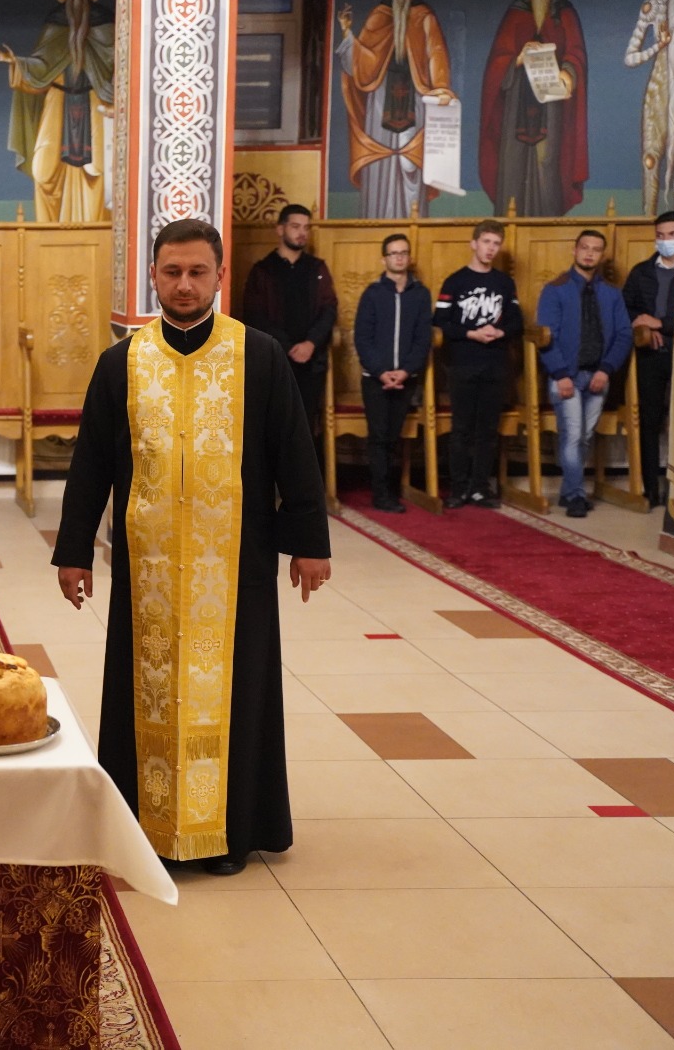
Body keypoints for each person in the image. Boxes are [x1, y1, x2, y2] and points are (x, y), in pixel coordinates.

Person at [52, 218, 330, 876]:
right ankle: (142, 827)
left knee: (238, 691)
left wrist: (309, 543)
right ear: (152, 275)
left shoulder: (257, 355)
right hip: (145, 568)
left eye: (197, 272)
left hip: (237, 564)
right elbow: (92, 463)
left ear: (219, 276)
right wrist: (73, 551)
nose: (184, 284)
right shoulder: (122, 363)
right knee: (143, 691)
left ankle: (228, 835)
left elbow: (295, 453)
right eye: (172, 272)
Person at [0, 0, 115, 223]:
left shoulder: (104, 21)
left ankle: (97, 232)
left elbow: (116, 60)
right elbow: (43, 66)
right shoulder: (55, 21)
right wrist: (16, 62)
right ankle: (48, 232)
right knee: (43, 172)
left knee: (99, 170)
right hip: (57, 101)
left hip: (94, 101)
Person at [334, 0, 458, 219]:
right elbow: (361, 65)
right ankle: (376, 219)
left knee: (411, 164)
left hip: (417, 99)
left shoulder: (425, 16)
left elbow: (437, 53)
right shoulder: (379, 15)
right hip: (380, 101)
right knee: (380, 164)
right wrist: (347, 32)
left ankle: (414, 221)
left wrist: (441, 88)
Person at [536, 230, 633, 519]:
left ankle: (568, 491)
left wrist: (606, 369)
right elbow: (545, 336)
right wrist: (560, 373)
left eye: (596, 249)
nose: (589, 253)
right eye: (585, 247)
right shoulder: (555, 289)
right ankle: (577, 495)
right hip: (565, 375)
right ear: (575, 250)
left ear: (601, 255)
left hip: (598, 375)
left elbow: (624, 334)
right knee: (572, 436)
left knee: (584, 437)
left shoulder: (612, 293)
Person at [433, 220, 523, 510]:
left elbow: (517, 322)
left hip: (495, 363)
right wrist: (471, 333)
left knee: (487, 429)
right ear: (474, 244)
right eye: (486, 242)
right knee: (461, 428)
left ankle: (480, 488)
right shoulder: (455, 281)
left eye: (496, 244)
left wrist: (499, 332)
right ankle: (459, 488)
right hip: (462, 363)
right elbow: (440, 322)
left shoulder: (504, 283)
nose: (490, 249)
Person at [478, 0, 589, 217]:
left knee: (546, 163)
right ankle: (508, 225)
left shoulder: (565, 12)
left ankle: (547, 228)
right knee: (513, 164)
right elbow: (498, 58)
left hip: (552, 106)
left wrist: (567, 73)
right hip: (515, 104)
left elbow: (576, 52)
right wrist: (518, 58)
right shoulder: (516, 11)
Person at [240, 204, 338, 441]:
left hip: (311, 359)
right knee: (273, 425)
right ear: (280, 229)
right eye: (295, 226)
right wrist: (286, 347)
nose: (302, 233)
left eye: (306, 227)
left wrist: (311, 343)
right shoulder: (263, 270)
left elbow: (329, 309)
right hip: (274, 358)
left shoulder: (317, 268)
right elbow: (254, 315)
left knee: (305, 425)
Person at [352, 233, 431, 512]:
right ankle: (380, 493)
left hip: (406, 379)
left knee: (394, 436)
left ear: (409, 257)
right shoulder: (372, 294)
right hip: (375, 380)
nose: (399, 257)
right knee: (378, 435)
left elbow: (423, 339)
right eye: (394, 253)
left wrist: (405, 371)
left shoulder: (420, 294)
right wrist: (382, 372)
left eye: (404, 252)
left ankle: (391, 489)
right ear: (383, 259)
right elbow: (363, 338)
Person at [623, 210, 674, 509]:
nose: (665, 240)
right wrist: (644, 325)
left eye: (672, 235)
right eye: (660, 235)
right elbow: (626, 307)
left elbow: (665, 319)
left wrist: (662, 324)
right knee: (649, 421)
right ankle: (651, 489)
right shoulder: (641, 271)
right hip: (650, 354)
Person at [625, 0, 674, 215]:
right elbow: (630, 58)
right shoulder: (654, 4)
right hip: (659, 86)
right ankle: (647, 222)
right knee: (650, 159)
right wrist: (659, 45)